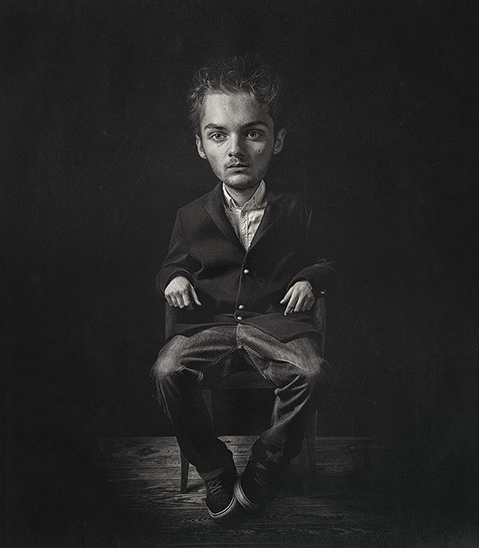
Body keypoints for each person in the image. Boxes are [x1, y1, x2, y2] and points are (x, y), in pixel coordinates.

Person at [151, 54, 335, 524]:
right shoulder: (190, 216)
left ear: (277, 141)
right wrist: (173, 278)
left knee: (311, 372)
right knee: (167, 370)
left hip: (273, 326)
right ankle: (214, 467)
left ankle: (267, 466)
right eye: (219, 135)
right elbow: (172, 265)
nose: (236, 149)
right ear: (201, 146)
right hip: (209, 326)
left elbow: (323, 261)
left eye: (252, 133)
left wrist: (309, 279)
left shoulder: (296, 211)